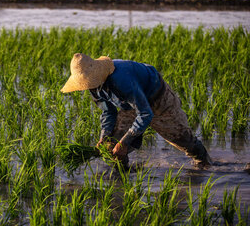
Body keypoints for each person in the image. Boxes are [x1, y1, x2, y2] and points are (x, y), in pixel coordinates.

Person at [60, 53, 212, 168]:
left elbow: (146, 113)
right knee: (112, 145)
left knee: (181, 138)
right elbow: (108, 112)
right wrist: (104, 136)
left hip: (157, 97)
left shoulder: (121, 80)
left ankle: (205, 164)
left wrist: (126, 141)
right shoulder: (93, 86)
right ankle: (123, 175)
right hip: (129, 103)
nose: (87, 86)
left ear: (97, 74)